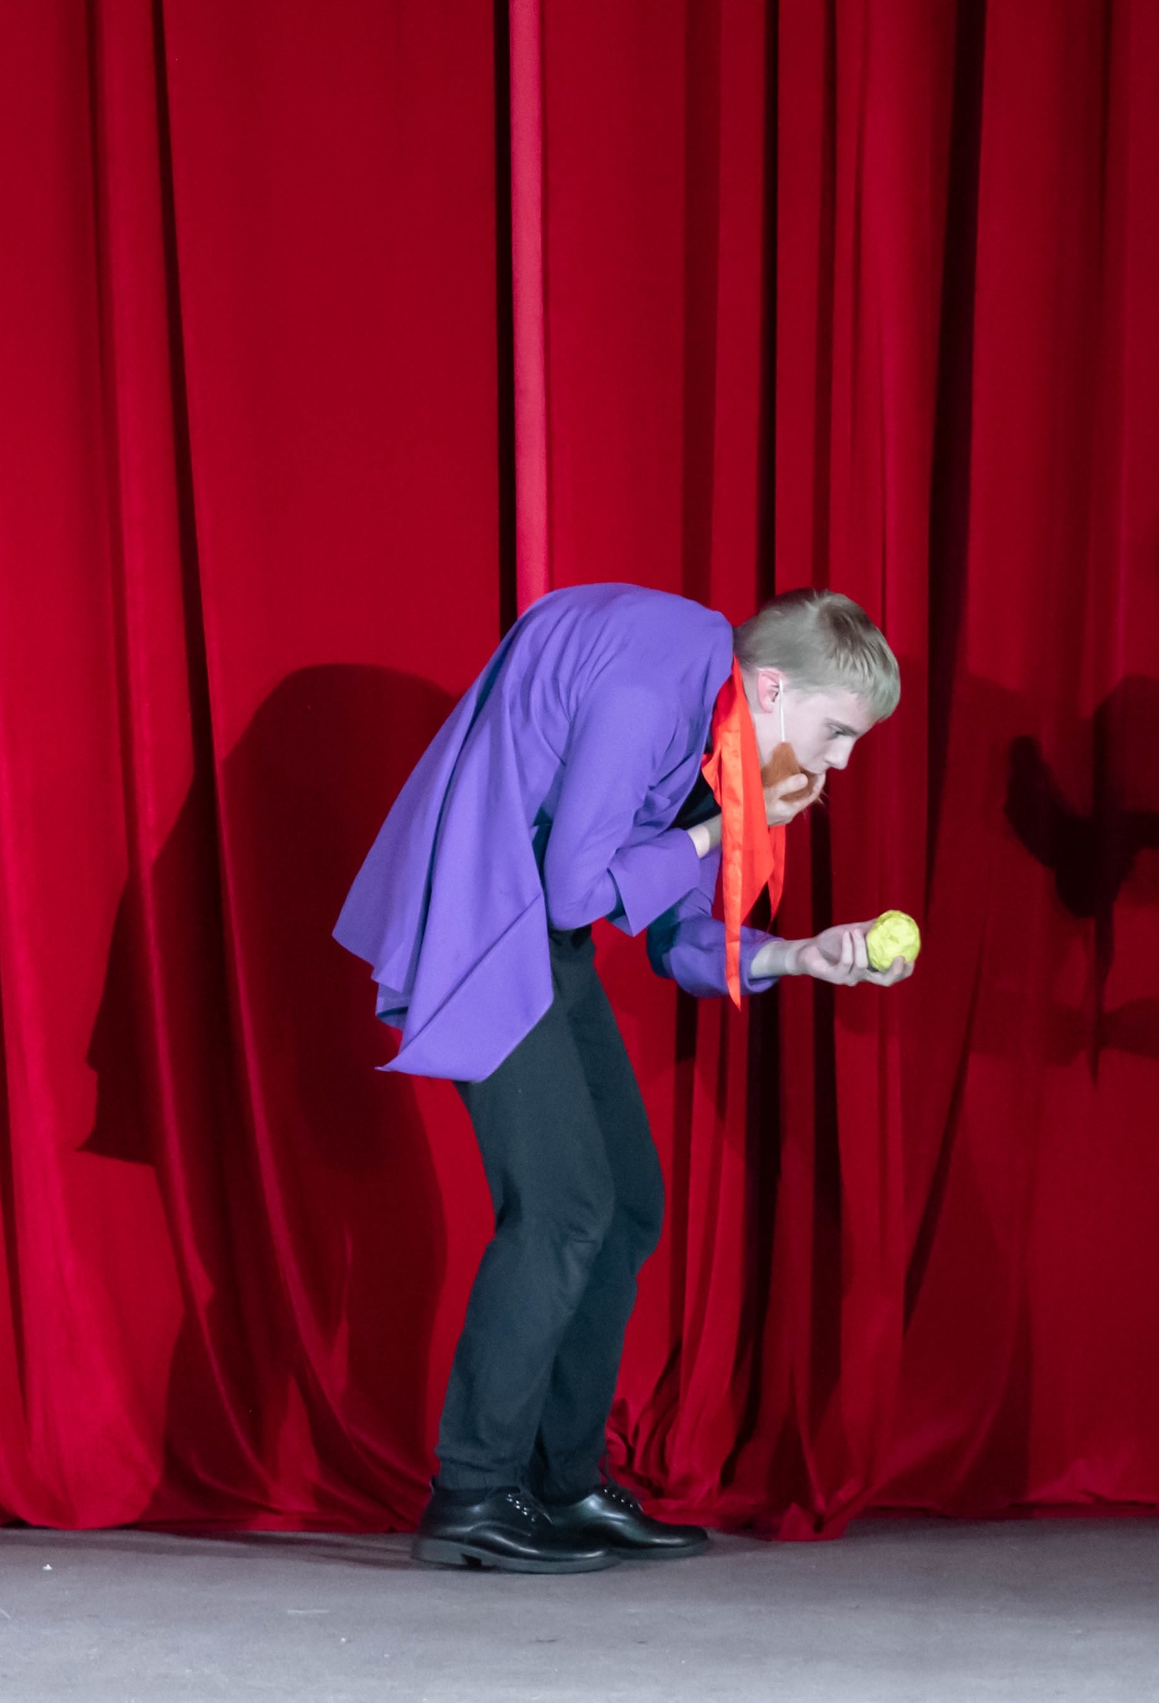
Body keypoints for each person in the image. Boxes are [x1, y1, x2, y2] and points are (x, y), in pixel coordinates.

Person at [336, 584, 913, 1573]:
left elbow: (680, 935)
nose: (842, 762)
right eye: (839, 731)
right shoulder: (656, 682)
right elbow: (575, 888)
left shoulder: (725, 730)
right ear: (774, 688)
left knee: (628, 1203)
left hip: (535, 930)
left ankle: (561, 1481)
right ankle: (472, 1492)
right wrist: (716, 829)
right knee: (563, 1208)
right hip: (481, 914)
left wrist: (801, 954)